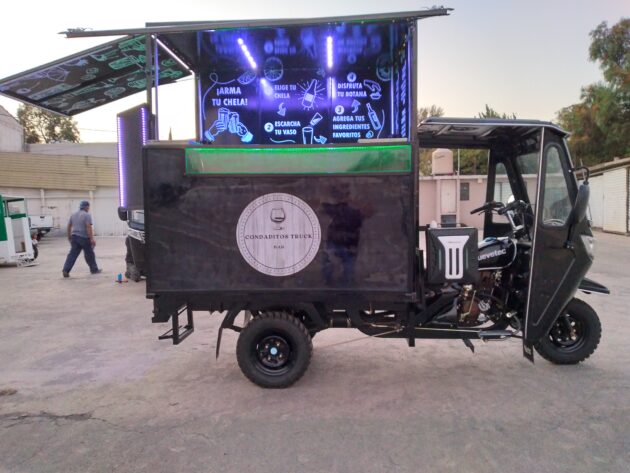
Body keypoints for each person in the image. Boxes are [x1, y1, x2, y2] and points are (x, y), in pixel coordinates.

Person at [62, 201, 101, 277]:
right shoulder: (87, 215)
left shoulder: (73, 215)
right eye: (88, 207)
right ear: (87, 207)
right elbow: (88, 227)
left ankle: (66, 270)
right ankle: (94, 269)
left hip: (74, 237)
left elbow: (69, 226)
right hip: (84, 238)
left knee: (72, 255)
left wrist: (69, 236)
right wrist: (92, 239)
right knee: (89, 254)